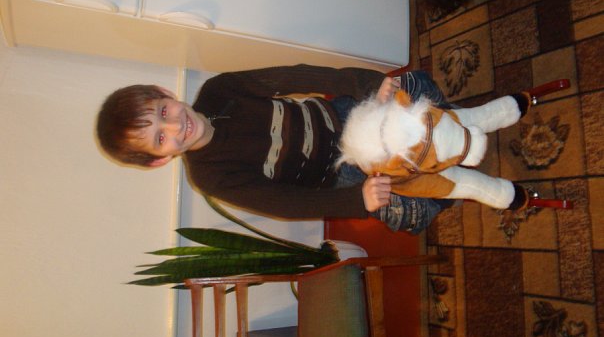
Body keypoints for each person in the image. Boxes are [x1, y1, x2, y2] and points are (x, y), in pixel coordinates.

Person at [96, 64, 455, 234]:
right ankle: (447, 174)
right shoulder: (209, 177)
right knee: (411, 214)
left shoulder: (219, 89)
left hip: (341, 116)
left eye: (163, 112)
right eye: (160, 138)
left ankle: (450, 128)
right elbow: (284, 203)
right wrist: (356, 200)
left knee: (413, 85)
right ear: (160, 160)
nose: (176, 126)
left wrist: (366, 84)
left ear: (165, 93)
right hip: (337, 174)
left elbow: (293, 76)